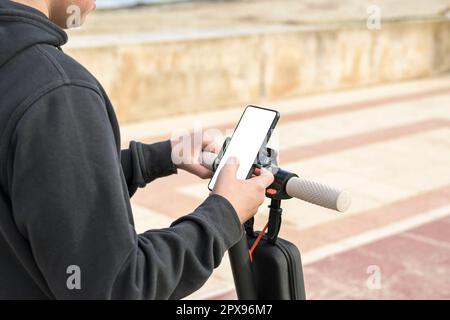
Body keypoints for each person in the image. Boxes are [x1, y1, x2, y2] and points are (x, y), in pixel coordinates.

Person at [0, 0, 274, 299]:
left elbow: (40, 182)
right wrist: (224, 214)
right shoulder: (59, 90)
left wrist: (159, 158)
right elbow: (118, 286)